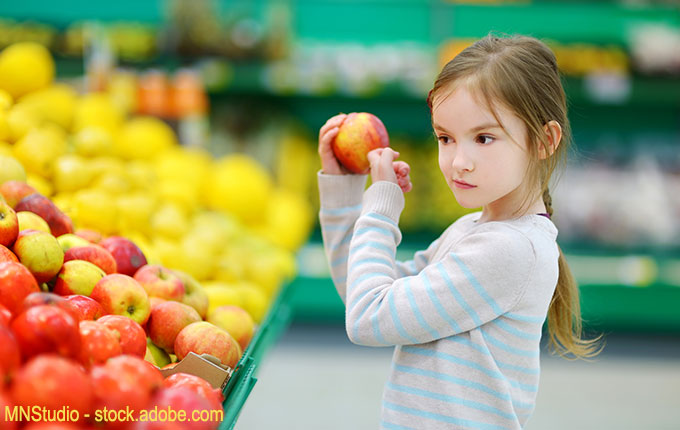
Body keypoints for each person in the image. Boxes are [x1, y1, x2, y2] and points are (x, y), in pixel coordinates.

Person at [316, 33, 601, 430]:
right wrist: (345, 192)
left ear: (544, 141)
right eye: (445, 138)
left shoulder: (510, 249)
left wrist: (381, 209)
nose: (458, 162)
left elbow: (368, 319)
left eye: (484, 138)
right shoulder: (474, 229)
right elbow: (364, 293)